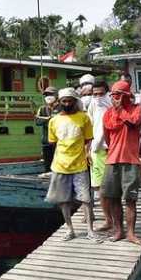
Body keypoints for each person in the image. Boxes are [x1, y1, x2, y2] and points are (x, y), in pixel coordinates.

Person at [46, 88, 100, 242]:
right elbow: (52, 142)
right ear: (60, 102)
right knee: (63, 200)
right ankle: (70, 230)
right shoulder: (53, 121)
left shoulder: (84, 118)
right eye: (64, 101)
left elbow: (88, 138)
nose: (67, 103)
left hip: (80, 165)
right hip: (60, 166)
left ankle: (90, 230)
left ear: (75, 101)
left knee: (86, 199)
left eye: (70, 100)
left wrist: (86, 152)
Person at [102, 80, 141, 244]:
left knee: (131, 200)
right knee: (112, 198)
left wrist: (121, 110)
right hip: (112, 160)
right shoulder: (107, 114)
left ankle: (131, 234)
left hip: (131, 160)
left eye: (118, 95)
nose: (114, 98)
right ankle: (119, 231)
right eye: (113, 95)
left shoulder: (137, 109)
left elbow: (133, 123)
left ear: (127, 96)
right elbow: (107, 137)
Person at [86, 80, 112, 227]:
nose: (98, 96)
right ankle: (108, 220)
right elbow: (90, 125)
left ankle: (112, 220)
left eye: (101, 93)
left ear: (106, 92)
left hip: (109, 149)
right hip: (96, 150)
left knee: (108, 188)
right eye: (95, 94)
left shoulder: (110, 104)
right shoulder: (93, 104)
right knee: (98, 187)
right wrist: (89, 148)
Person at [36, 86, 59, 173]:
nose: (48, 97)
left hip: (59, 142)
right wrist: (48, 118)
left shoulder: (61, 107)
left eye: (50, 94)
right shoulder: (42, 108)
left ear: (56, 95)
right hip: (46, 141)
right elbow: (37, 121)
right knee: (47, 165)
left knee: (59, 163)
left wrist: (46, 118)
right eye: (46, 95)